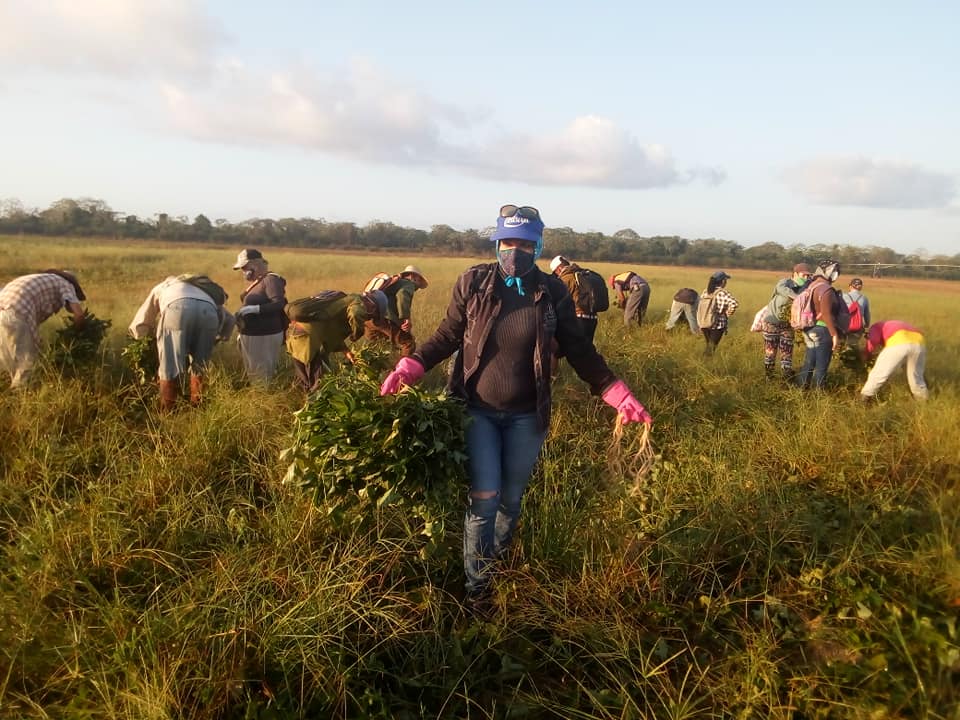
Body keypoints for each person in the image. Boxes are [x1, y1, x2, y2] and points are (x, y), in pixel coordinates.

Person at [380, 204, 651, 606]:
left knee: (510, 499)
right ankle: (478, 591)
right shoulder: (473, 282)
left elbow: (579, 350)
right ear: (496, 243)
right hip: (477, 411)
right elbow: (447, 335)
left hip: (528, 415)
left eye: (524, 244)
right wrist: (412, 365)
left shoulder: (553, 291)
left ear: (537, 246)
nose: (515, 250)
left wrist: (616, 392)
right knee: (484, 498)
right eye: (508, 242)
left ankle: (500, 562)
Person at [129, 275, 233, 411]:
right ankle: (198, 409)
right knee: (201, 366)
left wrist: (142, 339)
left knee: (169, 368)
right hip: (209, 313)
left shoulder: (164, 286)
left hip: (177, 309)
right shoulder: (204, 291)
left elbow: (142, 320)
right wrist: (218, 338)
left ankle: (168, 412)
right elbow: (230, 319)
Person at [285, 289, 408, 392]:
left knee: (303, 377)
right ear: (373, 305)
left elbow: (330, 333)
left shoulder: (344, 302)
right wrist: (356, 334)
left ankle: (297, 402)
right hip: (308, 339)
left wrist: (346, 351)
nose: (369, 317)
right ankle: (312, 409)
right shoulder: (358, 302)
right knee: (317, 381)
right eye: (373, 314)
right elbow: (356, 314)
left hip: (296, 334)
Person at [0, 270, 87, 389]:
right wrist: (78, 335)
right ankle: (17, 396)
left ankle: (10, 391)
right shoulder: (66, 284)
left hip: (4, 310)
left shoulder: (36, 277)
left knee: (10, 358)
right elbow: (79, 315)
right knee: (27, 363)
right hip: (16, 313)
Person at [232, 248, 288, 382]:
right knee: (254, 374)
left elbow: (278, 303)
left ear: (255, 265)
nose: (243, 271)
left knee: (261, 375)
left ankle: (264, 399)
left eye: (245, 267)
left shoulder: (271, 280)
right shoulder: (258, 282)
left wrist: (254, 309)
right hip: (252, 334)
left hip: (264, 333)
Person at [794, 259, 843, 390]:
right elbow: (826, 314)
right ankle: (819, 393)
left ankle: (802, 389)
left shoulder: (813, 285)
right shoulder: (826, 289)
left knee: (809, 363)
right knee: (822, 366)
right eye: (834, 271)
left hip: (810, 329)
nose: (835, 274)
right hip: (823, 330)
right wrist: (834, 335)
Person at [760, 263, 811, 381]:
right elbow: (783, 291)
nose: (806, 278)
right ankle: (769, 377)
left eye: (808, 276)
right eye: (803, 275)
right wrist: (799, 297)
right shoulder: (784, 282)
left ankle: (786, 379)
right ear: (795, 274)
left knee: (787, 352)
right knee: (770, 351)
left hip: (788, 325)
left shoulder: (807, 287)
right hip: (772, 322)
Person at [859, 320, 928, 402]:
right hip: (919, 343)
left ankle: (864, 398)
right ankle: (923, 401)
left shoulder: (875, 327)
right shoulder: (897, 324)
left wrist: (866, 354)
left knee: (879, 372)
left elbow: (873, 341)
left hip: (898, 342)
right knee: (916, 376)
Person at [363, 266, 424, 352]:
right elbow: (402, 295)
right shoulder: (408, 284)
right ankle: (404, 366)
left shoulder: (393, 282)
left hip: (368, 319)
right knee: (408, 344)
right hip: (384, 319)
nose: (418, 285)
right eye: (419, 280)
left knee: (376, 350)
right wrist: (406, 318)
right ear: (413, 276)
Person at [549, 255, 604, 345]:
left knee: (560, 351)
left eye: (555, 272)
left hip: (578, 319)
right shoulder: (582, 274)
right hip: (593, 319)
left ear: (559, 268)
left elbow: (557, 302)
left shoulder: (566, 279)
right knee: (586, 351)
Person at [697, 271, 738, 355]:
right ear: (723, 281)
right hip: (718, 324)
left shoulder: (706, 291)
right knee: (711, 348)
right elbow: (734, 304)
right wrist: (727, 313)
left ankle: (705, 362)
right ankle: (704, 363)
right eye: (725, 280)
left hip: (704, 323)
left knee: (709, 345)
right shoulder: (722, 293)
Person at [842, 277, 871, 347]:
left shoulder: (843, 296)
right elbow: (867, 315)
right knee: (853, 346)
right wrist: (867, 325)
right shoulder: (864, 298)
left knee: (841, 345)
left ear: (850, 286)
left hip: (844, 325)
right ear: (860, 287)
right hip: (857, 327)